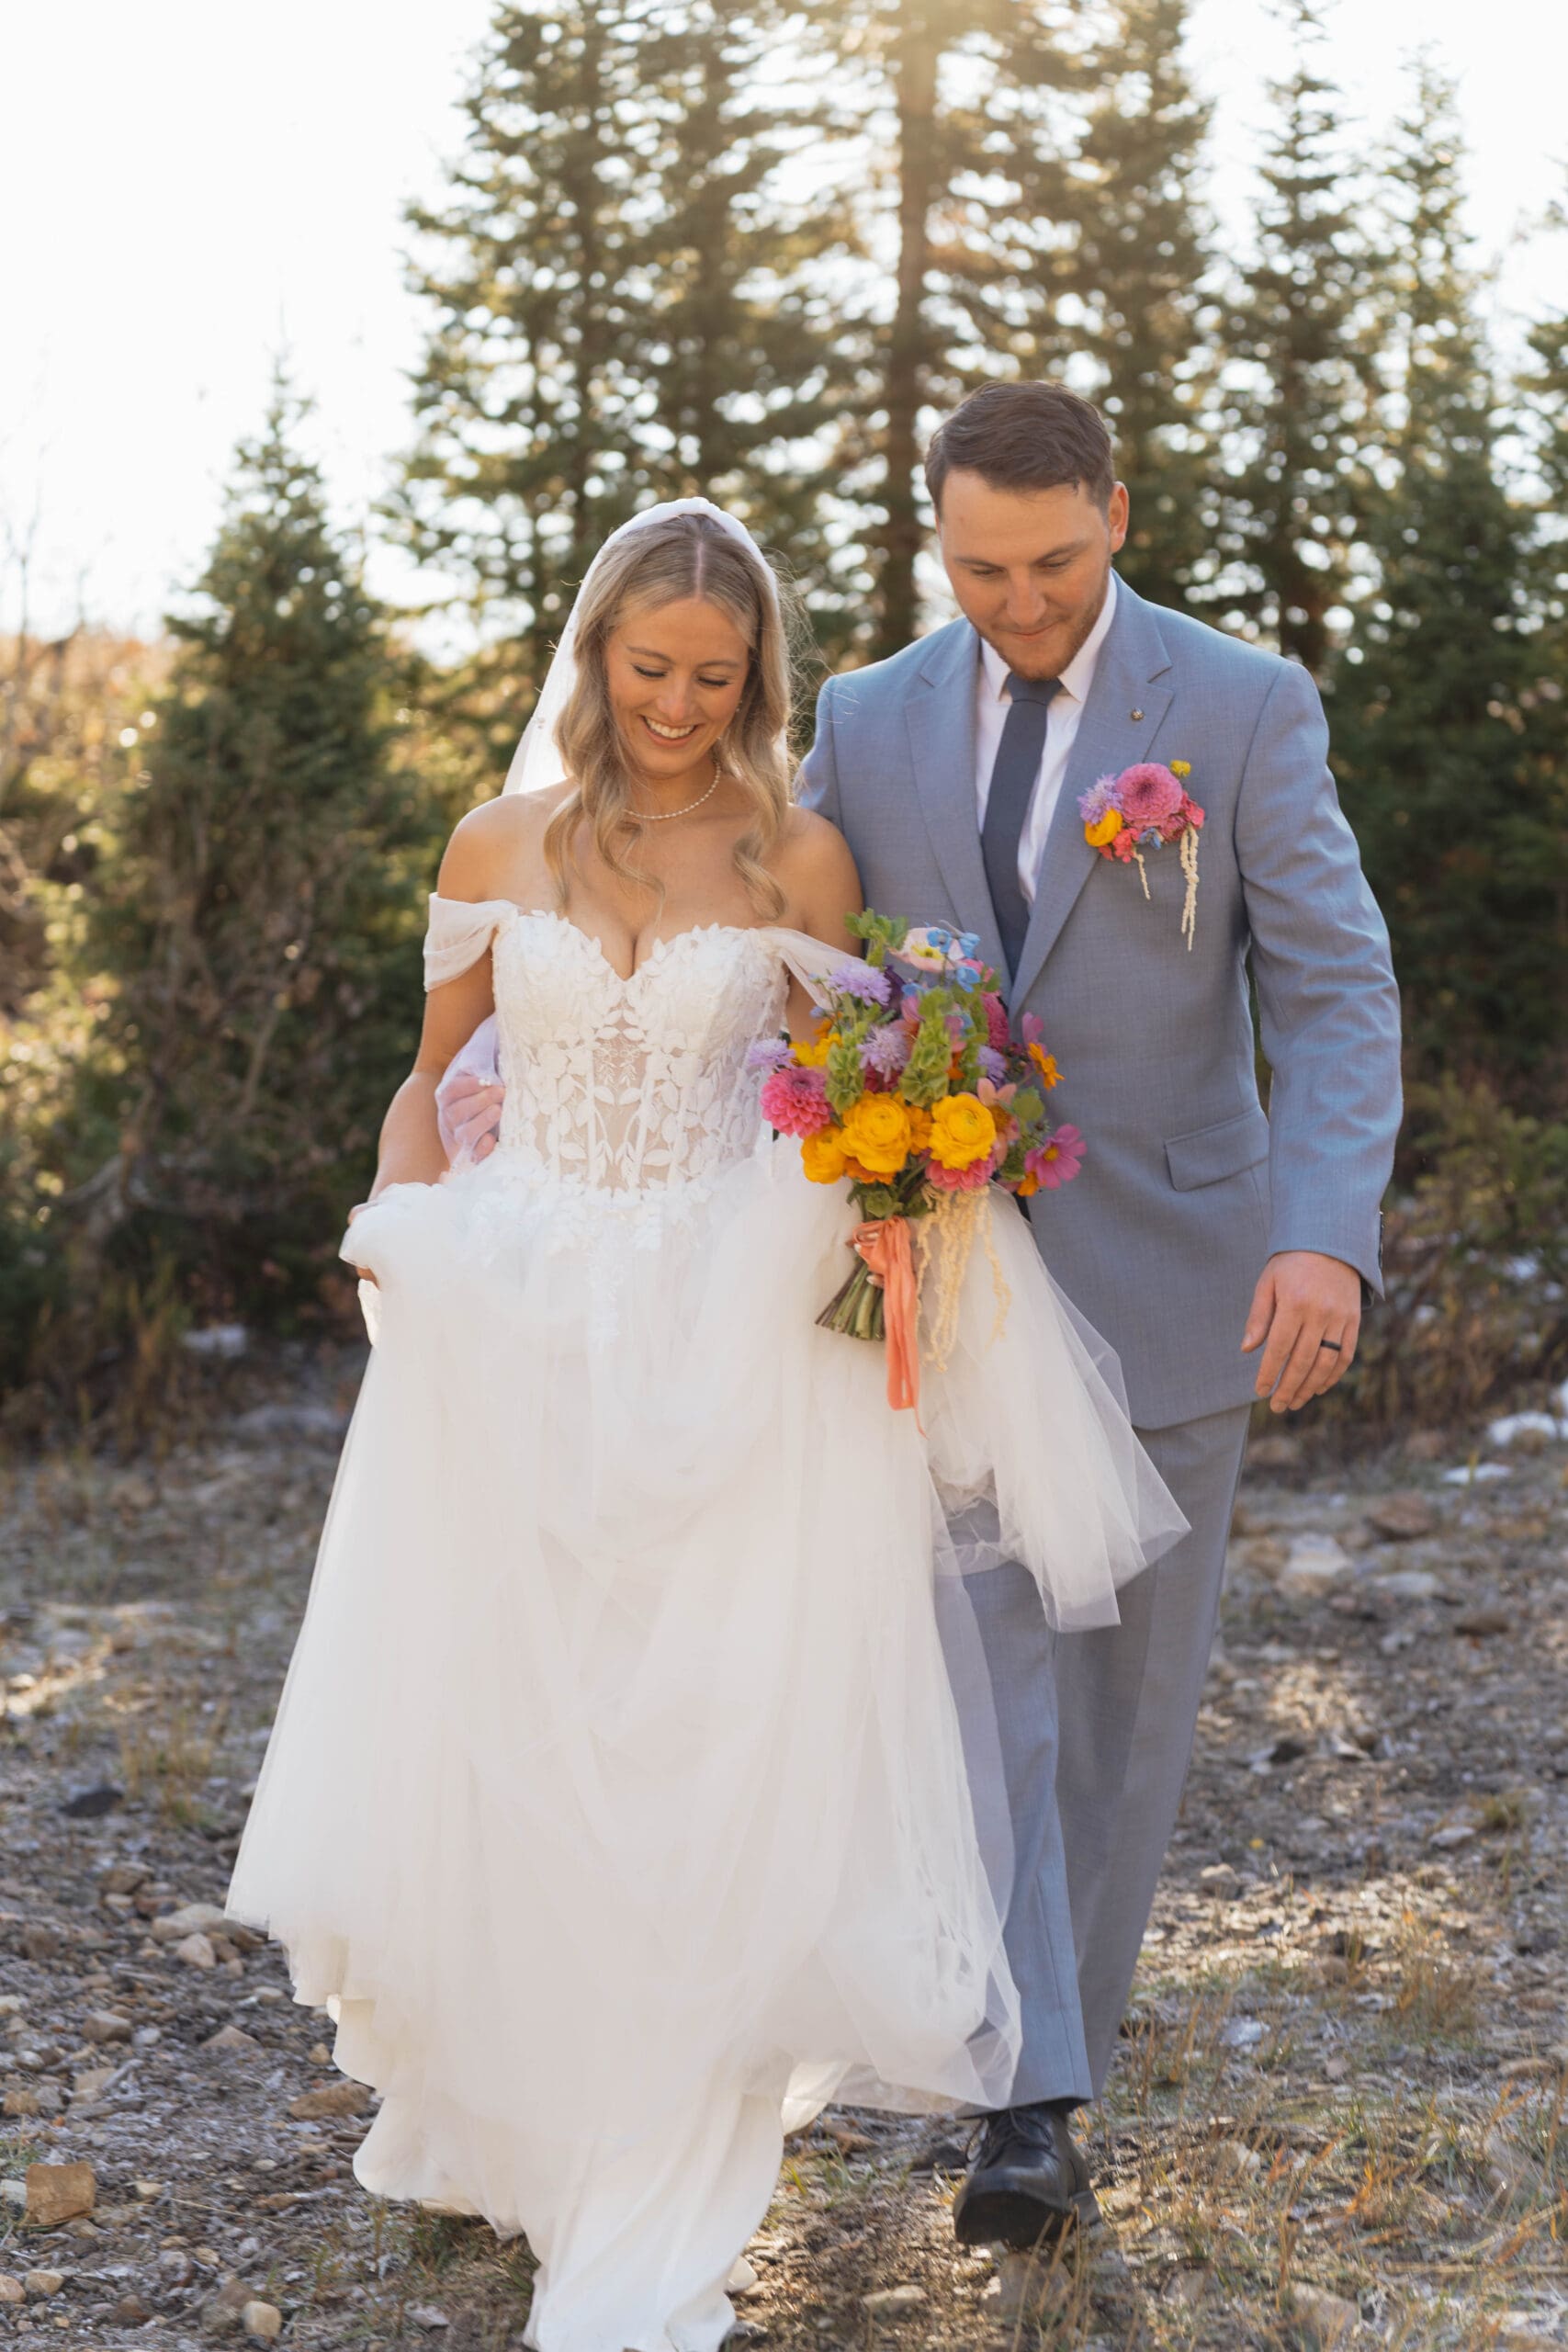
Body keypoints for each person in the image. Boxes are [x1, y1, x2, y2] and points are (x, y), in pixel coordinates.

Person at [441, 387, 1404, 2250]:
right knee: (978, 1683)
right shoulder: (870, 724)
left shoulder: (1235, 707)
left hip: (1180, 1273)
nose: (1019, 599)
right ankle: (1024, 2095)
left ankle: (1052, 2052)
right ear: (931, 541)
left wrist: (1323, 1234)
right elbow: (770, 969)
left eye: (1051, 561)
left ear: (1113, 514)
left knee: (1116, 1702)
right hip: (923, 1285)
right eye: (978, 564)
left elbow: (1333, 986)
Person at [226, 498, 1185, 2352]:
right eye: (648, 668)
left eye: (714, 675)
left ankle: (655, 2199)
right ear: (593, 657)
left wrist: (903, 1159)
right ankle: (537, 2108)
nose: (676, 703)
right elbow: (428, 1084)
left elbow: (837, 1091)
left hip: (731, 1343)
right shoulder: (495, 840)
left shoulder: (792, 854)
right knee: (530, 1726)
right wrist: (400, 1240)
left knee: (709, 1741)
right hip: (514, 1324)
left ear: (755, 679)